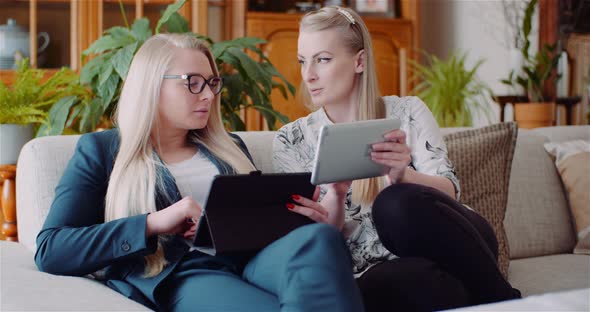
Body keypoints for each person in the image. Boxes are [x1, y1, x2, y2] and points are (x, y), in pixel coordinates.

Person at [35, 33, 365, 312]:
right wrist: (154, 222)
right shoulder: (102, 151)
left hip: (252, 258)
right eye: (192, 83)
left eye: (211, 83)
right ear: (151, 86)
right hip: (185, 271)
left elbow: (257, 220)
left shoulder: (230, 146)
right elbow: (52, 249)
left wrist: (297, 220)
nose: (208, 95)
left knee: (319, 238)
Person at [273, 6, 521, 312]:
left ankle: (505, 302)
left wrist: (404, 177)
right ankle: (495, 299)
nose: (308, 75)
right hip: (386, 271)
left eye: (322, 59)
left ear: (359, 61)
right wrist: (336, 195)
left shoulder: (408, 112)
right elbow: (316, 243)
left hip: (457, 242)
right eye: (302, 61)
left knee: (394, 203)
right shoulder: (290, 140)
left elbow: (451, 192)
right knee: (402, 284)